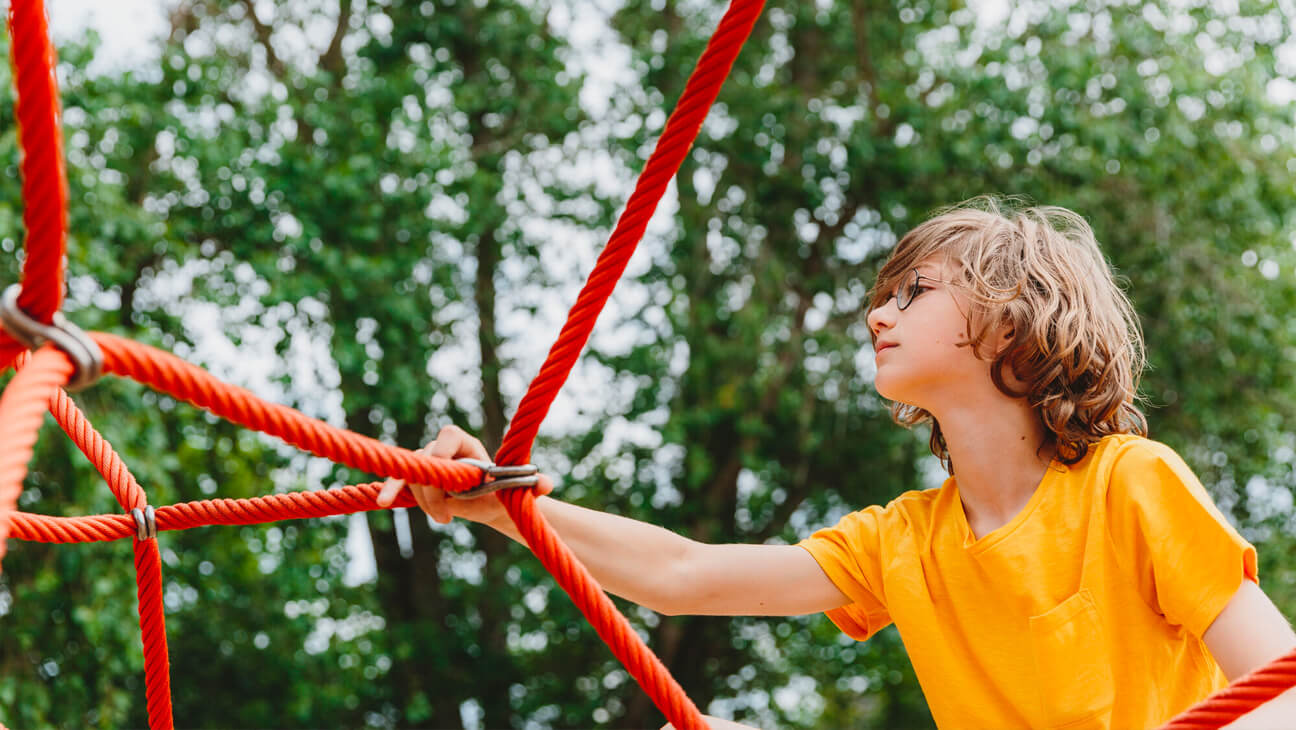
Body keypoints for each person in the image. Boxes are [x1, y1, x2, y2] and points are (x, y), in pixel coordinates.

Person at [377, 197, 1296, 729]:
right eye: (882, 296)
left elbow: (1276, 685)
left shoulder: (1128, 483)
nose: (877, 315)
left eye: (914, 291)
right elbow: (682, 574)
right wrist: (500, 506)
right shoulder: (904, 541)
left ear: (1013, 320)